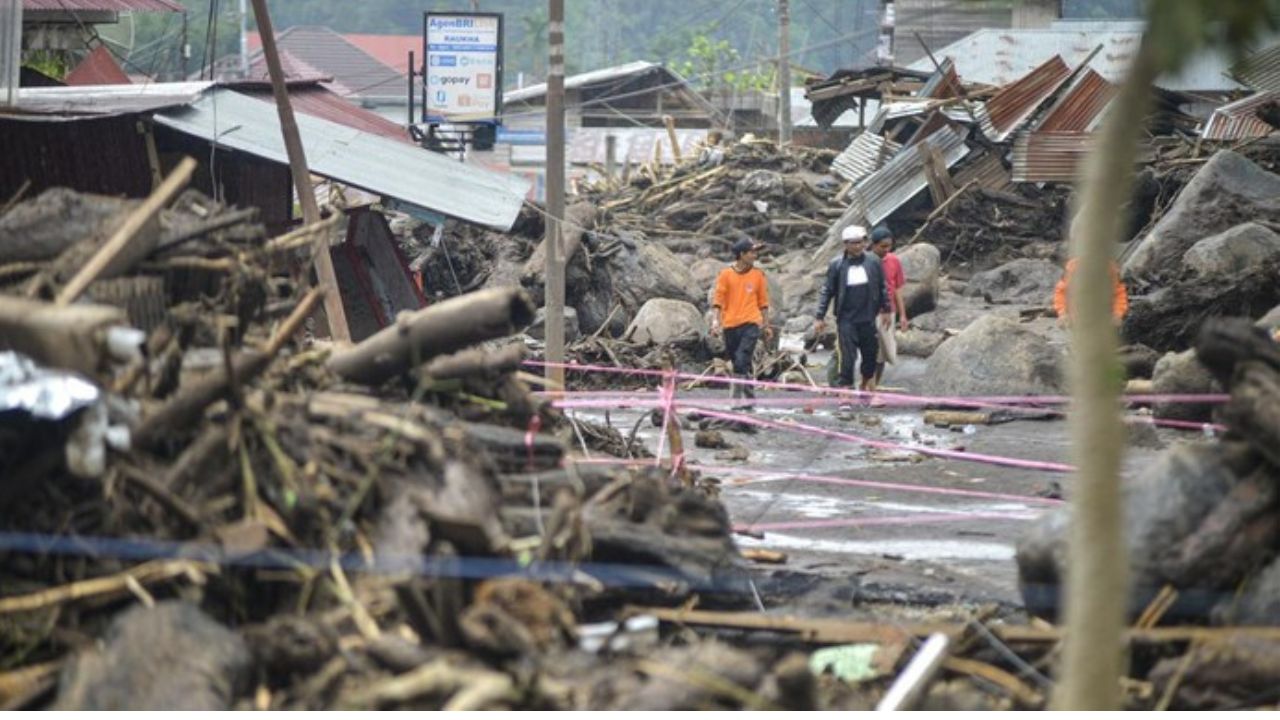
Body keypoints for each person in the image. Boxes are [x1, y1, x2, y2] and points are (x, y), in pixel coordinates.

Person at [814, 225, 892, 397]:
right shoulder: (837, 265)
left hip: (868, 318)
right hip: (846, 319)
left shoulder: (873, 261)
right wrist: (819, 316)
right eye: (853, 243)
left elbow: (882, 286)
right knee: (847, 359)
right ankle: (845, 394)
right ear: (845, 244)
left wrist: (887, 308)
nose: (858, 246)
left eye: (860, 242)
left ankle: (865, 387)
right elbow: (827, 290)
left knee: (870, 357)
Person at [711, 237, 772, 406]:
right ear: (741, 254)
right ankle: (750, 395)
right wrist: (715, 321)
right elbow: (718, 300)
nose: (755, 255)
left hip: (751, 323)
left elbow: (763, 302)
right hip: (730, 324)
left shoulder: (758, 275)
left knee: (741, 359)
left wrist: (766, 325)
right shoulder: (725, 275)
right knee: (738, 362)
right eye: (752, 252)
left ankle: (735, 400)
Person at [870, 225, 908, 386]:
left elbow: (897, 289)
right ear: (873, 245)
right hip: (870, 312)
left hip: (888, 312)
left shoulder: (894, 261)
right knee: (871, 351)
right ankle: (868, 387)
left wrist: (903, 315)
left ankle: (873, 386)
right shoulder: (867, 261)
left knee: (884, 353)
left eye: (889, 246)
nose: (886, 249)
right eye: (883, 246)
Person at [1053, 257, 1129, 327]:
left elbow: (1119, 294)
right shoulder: (1073, 267)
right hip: (1076, 322)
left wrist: (1117, 315)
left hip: (1103, 322)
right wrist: (1062, 314)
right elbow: (1061, 292)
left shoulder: (1110, 269)